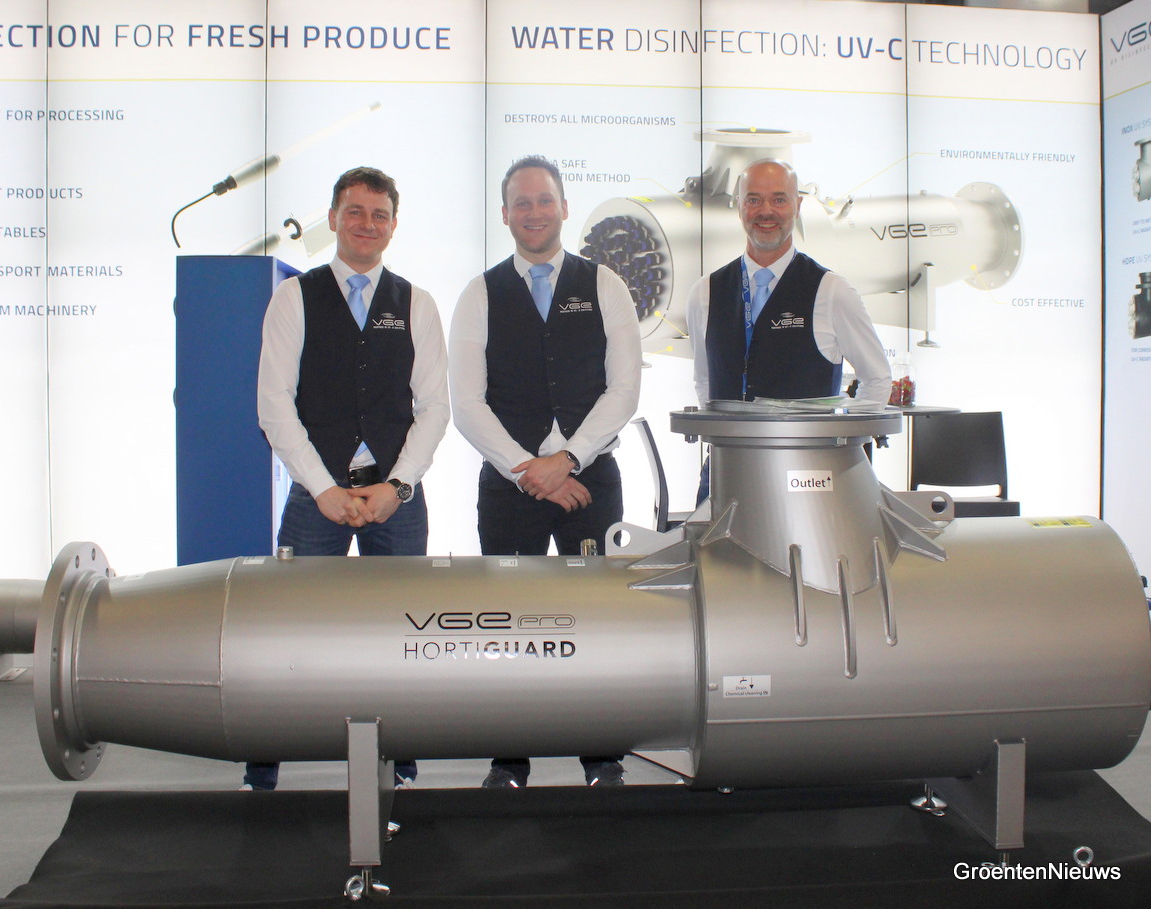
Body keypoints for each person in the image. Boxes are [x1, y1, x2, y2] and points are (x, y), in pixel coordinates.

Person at [250, 166, 450, 791]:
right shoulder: (294, 298)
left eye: (379, 214)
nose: (367, 224)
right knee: (288, 630)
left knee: (406, 634)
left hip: (396, 497)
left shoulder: (417, 303)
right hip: (317, 496)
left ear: (394, 225)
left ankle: (402, 764)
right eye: (355, 212)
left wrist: (398, 486)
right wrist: (323, 489)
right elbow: (274, 405)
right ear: (334, 218)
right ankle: (263, 770)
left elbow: (434, 408)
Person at [450, 155, 641, 788]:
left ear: (563, 207)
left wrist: (568, 460)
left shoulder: (606, 285)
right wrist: (527, 471)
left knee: (596, 621)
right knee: (508, 625)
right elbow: (466, 403)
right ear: (505, 215)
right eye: (522, 203)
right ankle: (510, 757)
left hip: (592, 481)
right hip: (509, 488)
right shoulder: (478, 294)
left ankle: (601, 756)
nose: (534, 212)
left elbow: (624, 391)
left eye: (544, 200)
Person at [686, 158, 891, 500]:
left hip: (809, 477)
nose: (766, 211)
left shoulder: (832, 291)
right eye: (754, 199)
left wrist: (844, 446)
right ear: (739, 207)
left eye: (779, 199)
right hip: (726, 469)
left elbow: (877, 379)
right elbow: (705, 380)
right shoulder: (704, 292)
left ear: (797, 206)